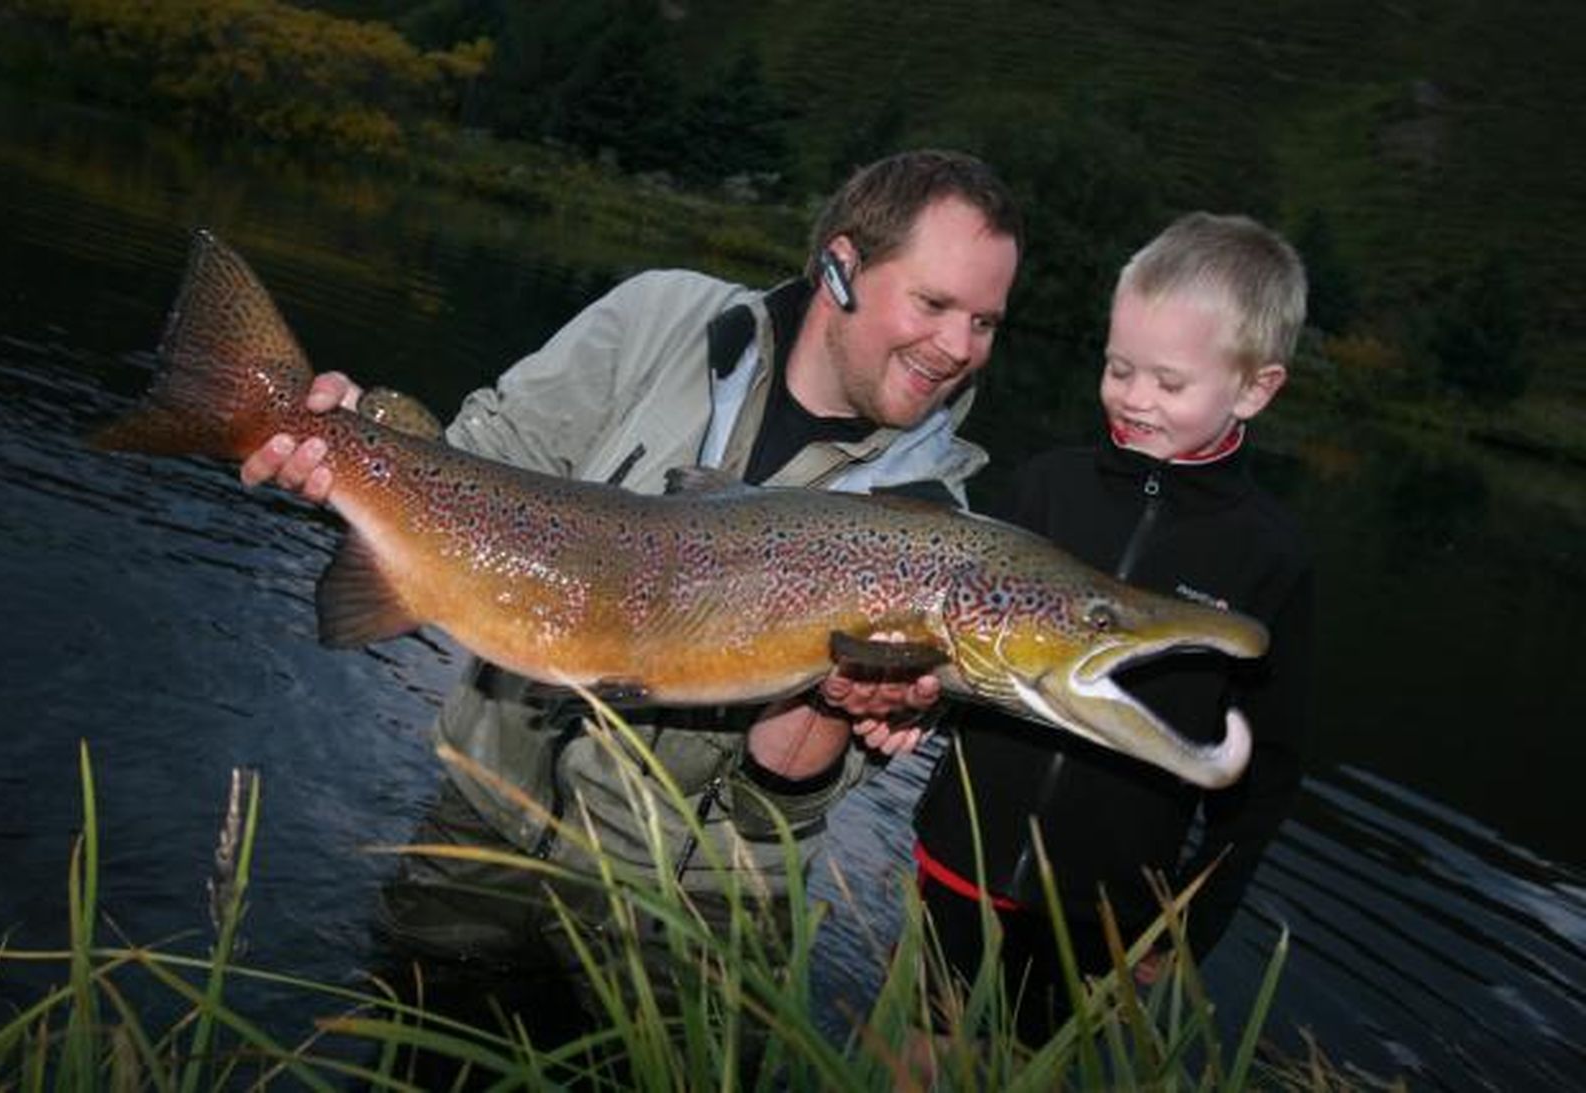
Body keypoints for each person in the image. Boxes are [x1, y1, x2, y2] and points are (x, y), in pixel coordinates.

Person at [240, 150, 1024, 1024]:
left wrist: (836, 707)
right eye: (934, 303)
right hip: (483, 824)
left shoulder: (932, 536)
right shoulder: (662, 318)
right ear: (841, 266)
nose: (958, 348)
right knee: (409, 1051)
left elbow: (780, 807)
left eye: (986, 322)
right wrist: (351, 447)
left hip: (682, 916)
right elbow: (481, 463)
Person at [911, 211, 1314, 1043]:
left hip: (1101, 907)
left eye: (1168, 384)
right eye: (1118, 367)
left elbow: (1265, 772)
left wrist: (1194, 918)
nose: (1133, 398)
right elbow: (952, 636)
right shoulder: (1048, 485)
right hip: (963, 856)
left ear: (1254, 388)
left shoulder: (1270, 555)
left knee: (1033, 1064)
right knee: (919, 1049)